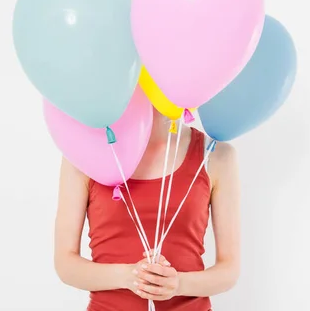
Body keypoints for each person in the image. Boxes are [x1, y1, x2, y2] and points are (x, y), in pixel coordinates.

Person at [54, 109, 241, 311]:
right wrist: (130, 276)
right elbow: (65, 264)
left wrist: (178, 284)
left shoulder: (216, 155)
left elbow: (229, 270)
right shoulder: (83, 156)